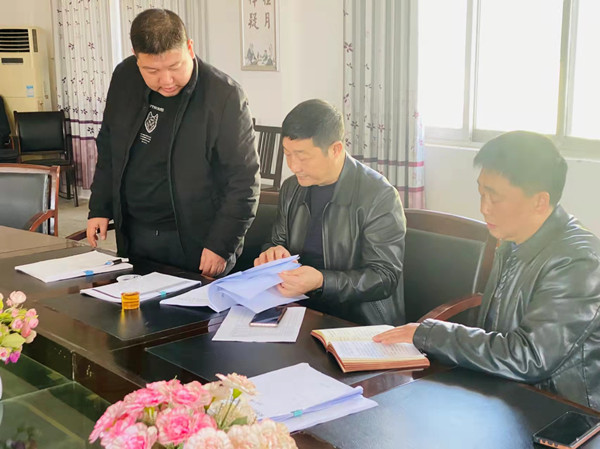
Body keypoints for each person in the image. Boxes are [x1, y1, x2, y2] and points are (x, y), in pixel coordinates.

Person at [374, 131, 600, 409]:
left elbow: (529, 357)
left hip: (564, 410)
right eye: (481, 193)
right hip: (508, 390)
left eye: (495, 198)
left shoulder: (579, 261)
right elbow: (495, 332)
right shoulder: (514, 238)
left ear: (540, 201)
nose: (484, 208)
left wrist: (430, 334)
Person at [87, 9, 260, 277]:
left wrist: (221, 245)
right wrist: (100, 207)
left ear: (190, 48)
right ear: (136, 57)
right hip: (134, 231)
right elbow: (109, 147)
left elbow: (244, 181)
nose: (166, 80)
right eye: (152, 70)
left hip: (197, 240)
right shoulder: (124, 77)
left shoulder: (224, 96)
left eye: (175, 66)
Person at [255, 99, 406, 325]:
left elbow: (384, 277)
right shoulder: (291, 188)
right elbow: (276, 242)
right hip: (300, 308)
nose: (294, 166)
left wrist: (322, 281)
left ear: (335, 149)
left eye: (303, 156)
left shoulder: (379, 195)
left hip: (356, 321)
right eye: (287, 154)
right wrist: (272, 253)